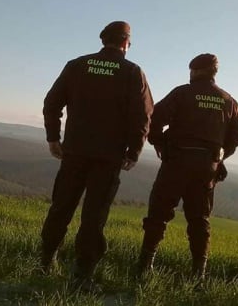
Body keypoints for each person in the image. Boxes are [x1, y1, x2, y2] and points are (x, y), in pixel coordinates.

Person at [40, 21, 154, 292]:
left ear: (103, 39)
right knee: (94, 216)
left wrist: (53, 138)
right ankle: (82, 277)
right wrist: (134, 150)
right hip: (108, 157)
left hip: (74, 152)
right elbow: (143, 116)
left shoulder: (77, 65)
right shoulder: (132, 72)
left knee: (61, 208)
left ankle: (45, 262)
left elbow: (51, 104)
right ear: (127, 43)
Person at [137, 53, 238, 284]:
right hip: (207, 169)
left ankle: (144, 267)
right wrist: (220, 157)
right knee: (199, 220)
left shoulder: (182, 93)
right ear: (214, 73)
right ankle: (198, 275)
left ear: (194, 71)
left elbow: (153, 118)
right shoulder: (229, 101)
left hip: (176, 162)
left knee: (158, 214)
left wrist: (160, 144)